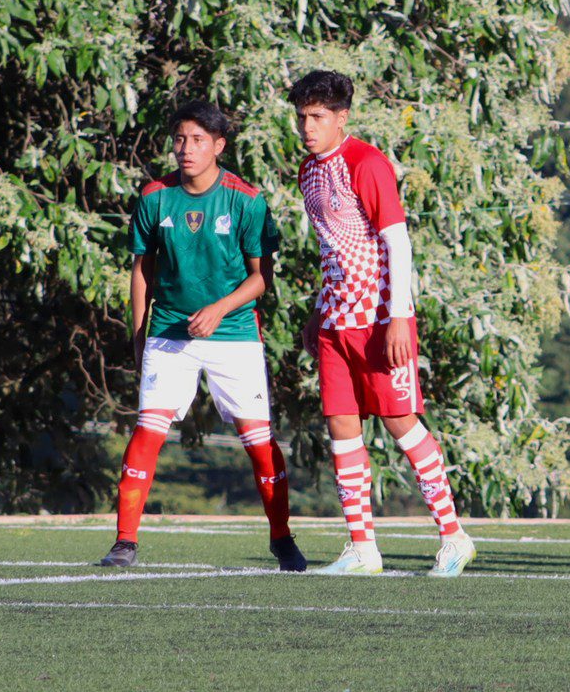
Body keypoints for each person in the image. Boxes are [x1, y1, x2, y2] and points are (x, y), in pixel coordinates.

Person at [99, 101, 303, 571]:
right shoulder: (154, 197)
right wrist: (138, 332)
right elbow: (141, 272)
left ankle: (283, 538)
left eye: (197, 140)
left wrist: (219, 308)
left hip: (233, 334)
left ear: (219, 146)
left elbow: (260, 279)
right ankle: (125, 541)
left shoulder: (246, 200)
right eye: (179, 139)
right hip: (169, 333)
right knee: (148, 429)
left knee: (258, 438)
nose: (185, 149)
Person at [293, 70, 474, 578]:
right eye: (303, 117)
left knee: (400, 423)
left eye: (318, 117)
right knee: (342, 427)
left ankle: (454, 536)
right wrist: (316, 310)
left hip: (379, 318)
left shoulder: (367, 163)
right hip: (334, 318)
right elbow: (333, 245)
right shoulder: (308, 170)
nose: (308, 126)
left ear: (341, 118)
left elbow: (397, 242)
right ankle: (361, 547)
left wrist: (398, 318)